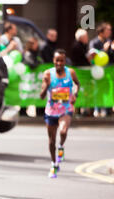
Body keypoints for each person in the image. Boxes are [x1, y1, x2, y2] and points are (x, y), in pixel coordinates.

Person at [40, 49, 80, 178]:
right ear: (53, 60)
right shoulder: (48, 74)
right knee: (51, 140)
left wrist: (75, 94)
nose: (59, 63)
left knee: (63, 131)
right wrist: (46, 85)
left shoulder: (71, 72)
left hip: (66, 109)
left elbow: (77, 84)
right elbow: (41, 96)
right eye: (57, 60)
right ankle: (53, 163)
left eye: (61, 60)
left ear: (65, 61)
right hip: (51, 110)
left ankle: (61, 146)